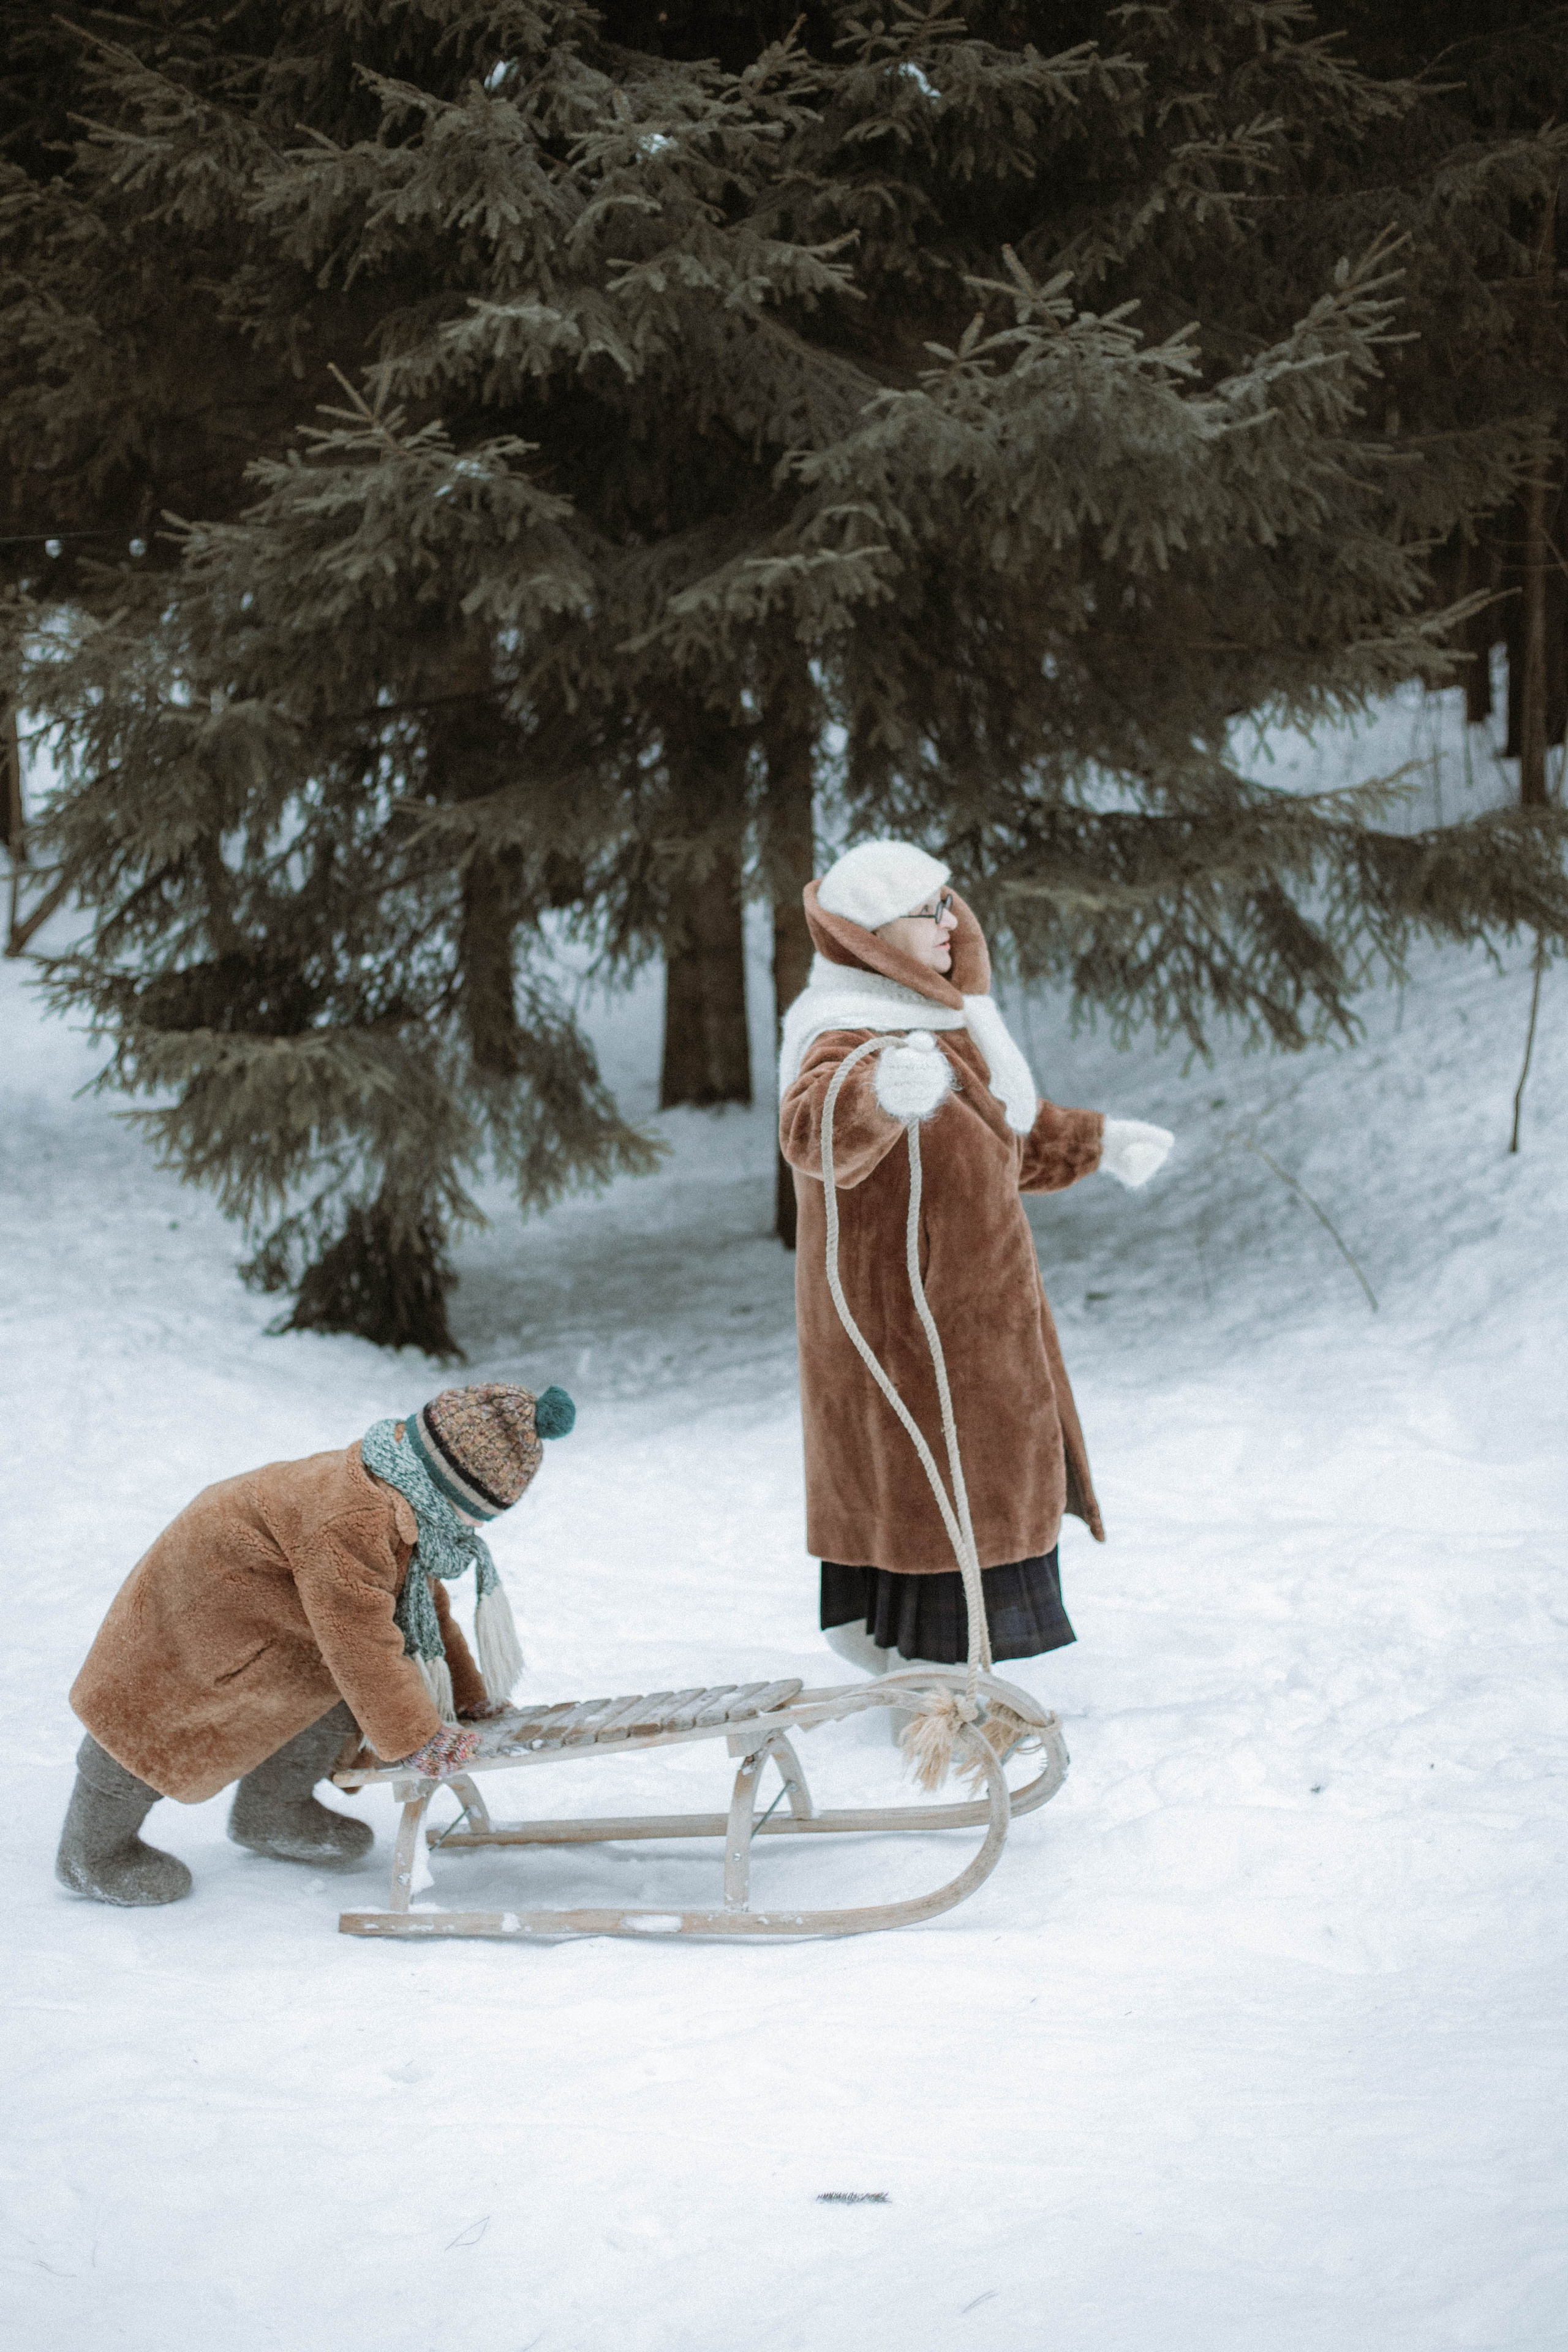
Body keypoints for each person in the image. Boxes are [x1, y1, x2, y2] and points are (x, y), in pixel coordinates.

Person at [778, 840, 1172, 1700]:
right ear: (877, 936)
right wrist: (879, 1093)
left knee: (976, 1510)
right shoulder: (846, 1031)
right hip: (910, 1338)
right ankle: (936, 1715)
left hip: (974, 1325)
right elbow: (812, 1132)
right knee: (937, 1516)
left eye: (950, 904)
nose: (951, 923)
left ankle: (953, 1694)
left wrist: (1099, 1142)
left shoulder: (935, 1029)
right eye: (928, 912)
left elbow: (999, 1143)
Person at [55, 1380, 575, 1906]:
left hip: (273, 1612)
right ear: (450, 1492)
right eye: (477, 1515)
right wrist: (419, 1737)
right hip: (201, 1607)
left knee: (334, 1686)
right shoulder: (355, 1520)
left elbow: (420, 1608)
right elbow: (361, 1642)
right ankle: (92, 1853)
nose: (473, 1530)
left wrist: (467, 1696)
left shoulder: (396, 1496)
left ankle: (273, 1811)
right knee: (154, 1714)